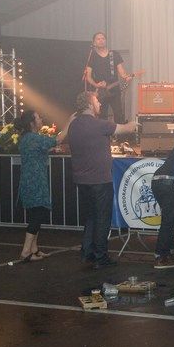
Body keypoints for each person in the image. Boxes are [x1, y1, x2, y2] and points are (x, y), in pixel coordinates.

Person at [66, 91, 137, 268]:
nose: (99, 104)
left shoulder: (74, 125)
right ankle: (100, 257)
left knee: (91, 217)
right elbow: (125, 129)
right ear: (90, 105)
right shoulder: (99, 124)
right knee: (102, 219)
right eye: (97, 101)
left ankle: (87, 253)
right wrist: (134, 123)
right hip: (99, 179)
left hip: (81, 180)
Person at [14, 109, 66, 262]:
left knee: (34, 214)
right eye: (38, 118)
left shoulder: (27, 138)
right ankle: (26, 251)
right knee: (38, 214)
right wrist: (70, 123)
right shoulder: (33, 138)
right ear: (32, 123)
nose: (41, 119)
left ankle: (33, 249)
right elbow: (57, 140)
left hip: (29, 180)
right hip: (35, 180)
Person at [83, 31, 136, 124]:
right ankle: (104, 133)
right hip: (100, 91)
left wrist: (126, 77)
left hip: (114, 89)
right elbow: (88, 76)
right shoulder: (92, 56)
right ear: (94, 42)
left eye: (103, 38)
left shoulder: (114, 54)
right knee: (101, 115)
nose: (101, 40)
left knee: (118, 114)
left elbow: (122, 72)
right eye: (98, 39)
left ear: (106, 41)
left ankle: (120, 132)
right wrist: (96, 85)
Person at [150, 144, 174, 270]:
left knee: (169, 218)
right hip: (171, 181)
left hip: (157, 179)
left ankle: (169, 251)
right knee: (169, 220)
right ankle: (161, 255)